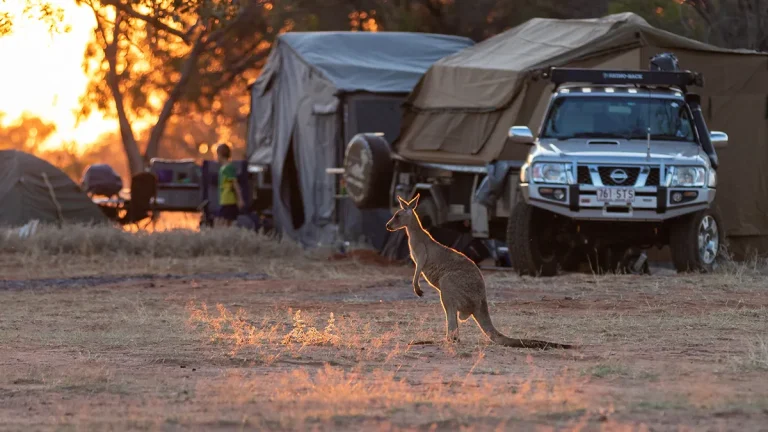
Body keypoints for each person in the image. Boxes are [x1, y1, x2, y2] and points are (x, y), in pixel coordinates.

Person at [215, 143, 244, 227]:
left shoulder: (229, 168)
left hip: (229, 201)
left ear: (220, 154)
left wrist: (240, 199)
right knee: (226, 223)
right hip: (224, 200)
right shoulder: (222, 168)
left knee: (221, 222)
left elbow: (235, 184)